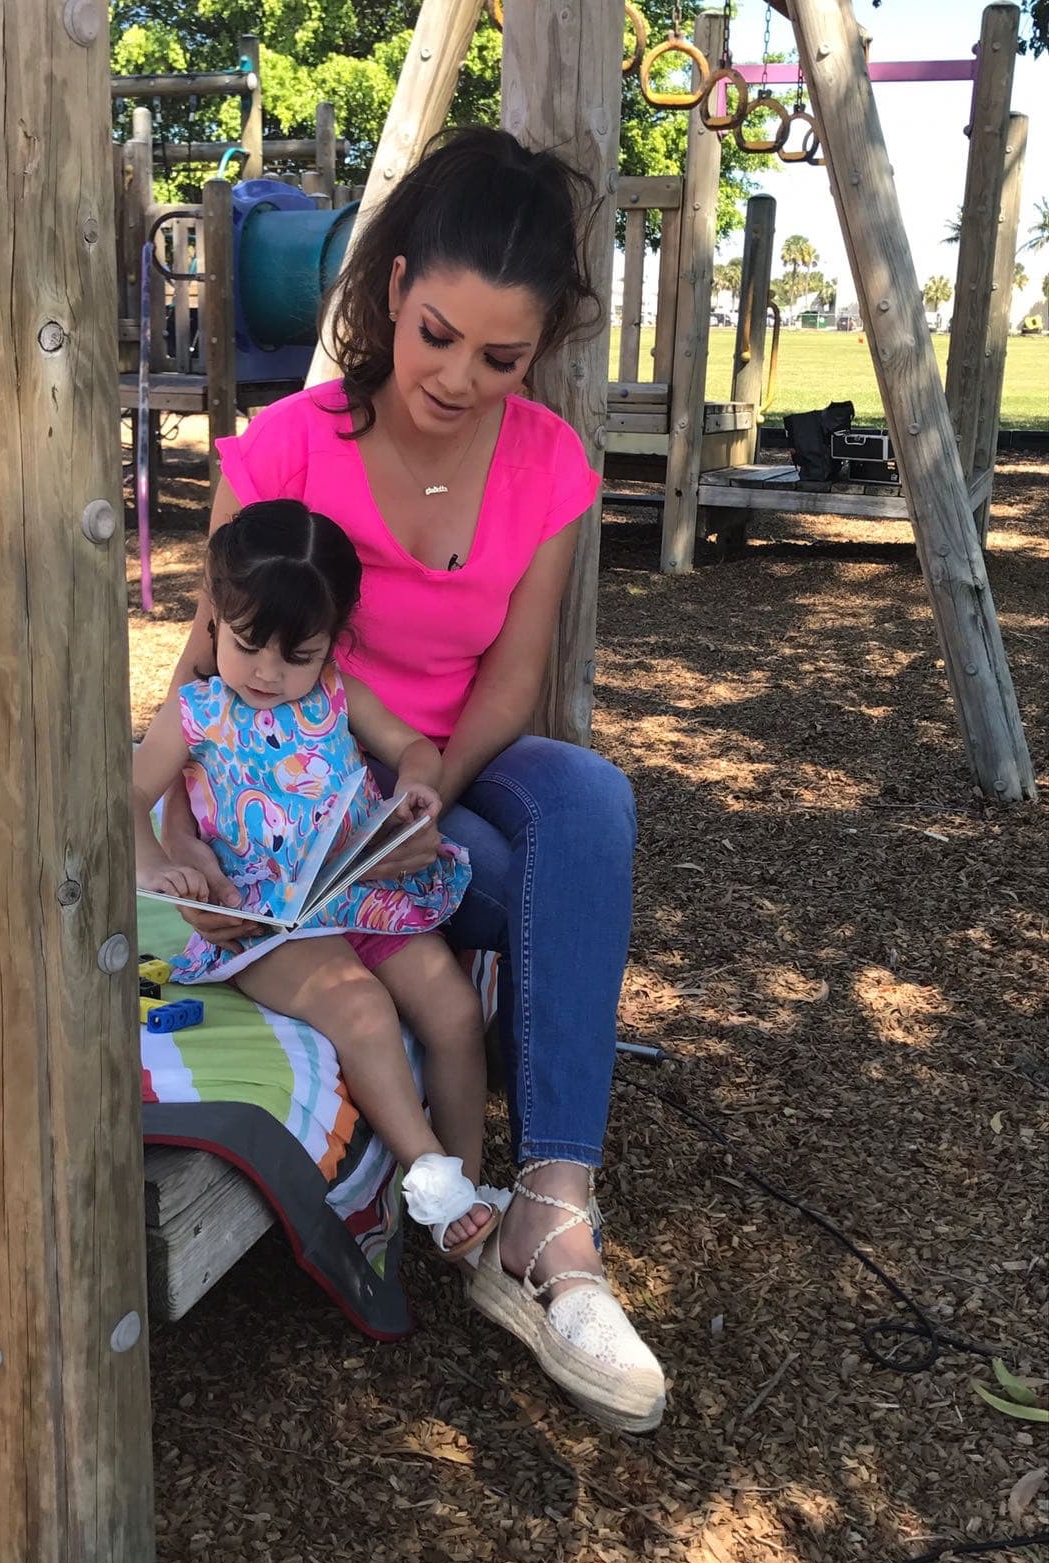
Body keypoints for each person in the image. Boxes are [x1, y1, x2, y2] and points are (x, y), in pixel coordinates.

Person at [162, 128, 666, 1431]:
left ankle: (551, 1213)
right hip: (308, 809)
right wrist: (173, 826)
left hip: (447, 769)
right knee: (524, 880)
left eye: (502, 358)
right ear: (391, 290)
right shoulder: (281, 450)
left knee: (589, 802)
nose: (457, 378)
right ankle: (483, 1188)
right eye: (438, 335)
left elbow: (512, 680)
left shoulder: (548, 463)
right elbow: (207, 665)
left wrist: (424, 785)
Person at [132, 499, 501, 1261]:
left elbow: (416, 748)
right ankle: (431, 1180)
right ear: (213, 620)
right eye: (246, 646)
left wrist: (416, 790)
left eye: (298, 655)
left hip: (360, 893)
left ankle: (468, 1186)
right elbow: (126, 798)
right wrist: (157, 865)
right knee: (360, 1009)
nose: (268, 673)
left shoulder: (336, 693)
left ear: (333, 640)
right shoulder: (195, 714)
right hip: (265, 921)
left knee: (455, 1012)